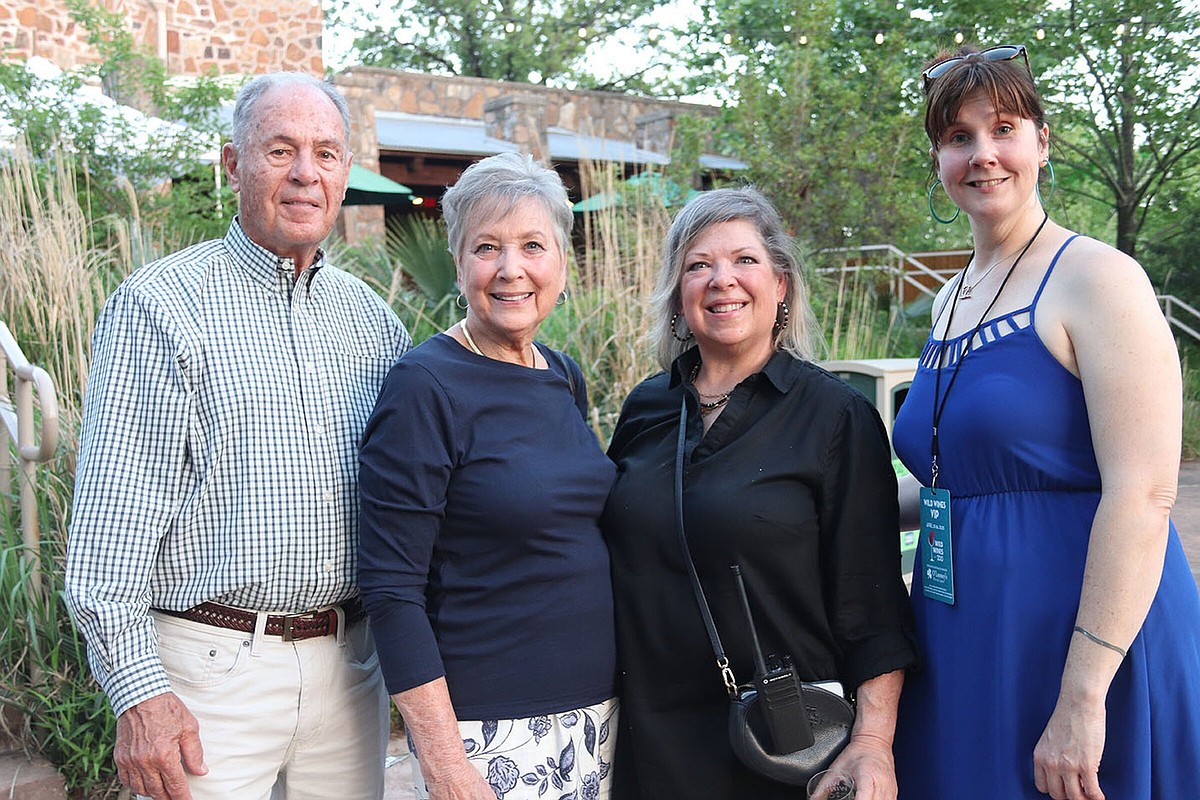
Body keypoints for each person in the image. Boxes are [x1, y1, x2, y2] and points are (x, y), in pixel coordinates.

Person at [64, 72, 412, 800]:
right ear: (233, 164)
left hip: (352, 670)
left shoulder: (375, 323)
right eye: (280, 150)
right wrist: (139, 694)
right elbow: (109, 537)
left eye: (325, 153)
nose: (306, 173)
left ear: (345, 171)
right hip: (207, 679)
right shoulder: (161, 307)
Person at [892, 44, 1200, 799]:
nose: (983, 154)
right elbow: (957, 482)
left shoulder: (1098, 279)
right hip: (964, 632)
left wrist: (1085, 695)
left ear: (1042, 141)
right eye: (959, 136)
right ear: (938, 158)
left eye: (1003, 128)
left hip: (1080, 640)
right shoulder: (949, 299)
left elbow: (1145, 495)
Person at [602, 187, 919, 800]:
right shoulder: (646, 408)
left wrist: (873, 742)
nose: (722, 280)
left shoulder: (835, 417)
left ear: (781, 286)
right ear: (678, 294)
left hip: (780, 741)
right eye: (698, 265)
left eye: (744, 260)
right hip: (651, 740)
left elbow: (872, 603)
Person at [357, 151, 618, 800]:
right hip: (490, 732)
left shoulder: (562, 374)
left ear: (561, 261)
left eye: (532, 245)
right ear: (458, 262)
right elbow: (391, 589)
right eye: (487, 247)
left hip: (594, 718)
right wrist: (444, 761)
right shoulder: (424, 386)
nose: (511, 269)